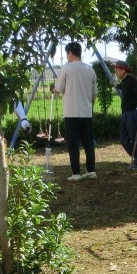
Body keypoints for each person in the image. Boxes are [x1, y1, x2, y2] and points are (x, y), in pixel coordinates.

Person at [51, 41, 97, 181]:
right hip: (86, 113)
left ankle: (76, 173)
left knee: (73, 144)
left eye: (67, 53)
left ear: (70, 53)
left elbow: (58, 89)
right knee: (88, 143)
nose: (67, 56)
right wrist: (90, 106)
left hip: (71, 113)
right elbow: (94, 94)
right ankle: (91, 171)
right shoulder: (90, 70)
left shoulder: (66, 68)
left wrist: (53, 89)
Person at [113, 61, 137, 169]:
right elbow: (122, 87)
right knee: (123, 139)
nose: (116, 72)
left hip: (132, 113)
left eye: (117, 69)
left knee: (134, 137)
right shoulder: (124, 82)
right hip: (125, 113)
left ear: (123, 70)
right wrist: (116, 85)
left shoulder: (131, 80)